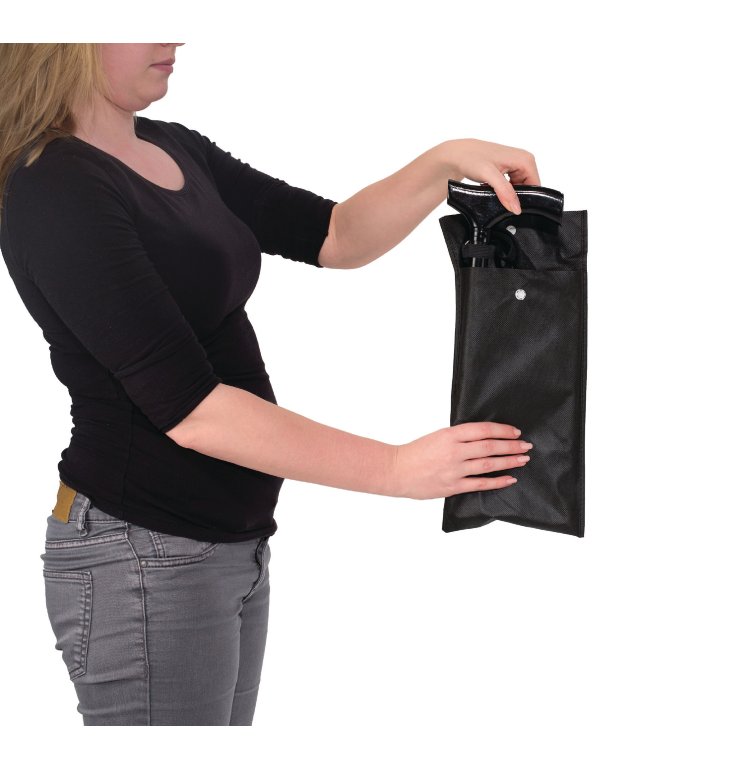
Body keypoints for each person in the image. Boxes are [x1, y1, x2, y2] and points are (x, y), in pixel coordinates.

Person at [0, 43, 539, 726]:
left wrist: (443, 162)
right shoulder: (55, 187)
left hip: (224, 541)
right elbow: (192, 410)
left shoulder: (172, 147)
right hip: (143, 549)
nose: (173, 35)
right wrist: (396, 468)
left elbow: (334, 235)